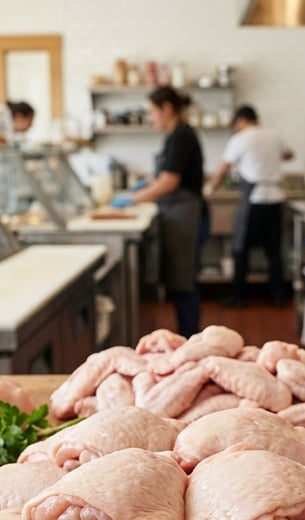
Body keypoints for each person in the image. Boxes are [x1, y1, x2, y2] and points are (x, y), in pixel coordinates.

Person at [111, 85, 206, 337]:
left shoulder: (181, 136)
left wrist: (132, 199)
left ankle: (190, 341)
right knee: (179, 281)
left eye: (151, 112)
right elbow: (162, 177)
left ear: (167, 108)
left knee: (184, 282)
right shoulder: (174, 135)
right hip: (177, 212)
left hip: (185, 212)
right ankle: (187, 338)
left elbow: (169, 182)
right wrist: (142, 189)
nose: (149, 118)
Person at [204, 105, 293, 308]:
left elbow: (224, 168)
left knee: (240, 249)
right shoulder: (274, 135)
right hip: (275, 198)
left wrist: (210, 187)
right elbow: (290, 155)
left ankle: (239, 297)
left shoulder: (241, 138)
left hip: (254, 199)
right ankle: (278, 296)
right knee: (274, 251)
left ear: (240, 120)